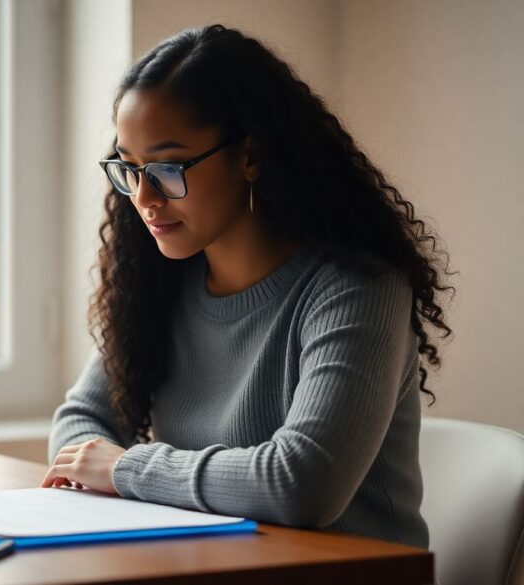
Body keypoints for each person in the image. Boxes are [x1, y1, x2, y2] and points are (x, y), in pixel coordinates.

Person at [42, 24, 453, 548]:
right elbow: (82, 421)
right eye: (129, 168)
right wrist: (100, 464)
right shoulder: (162, 283)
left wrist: (126, 468)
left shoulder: (358, 288)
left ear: (250, 155)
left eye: (168, 168)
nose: (144, 197)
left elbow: (303, 484)